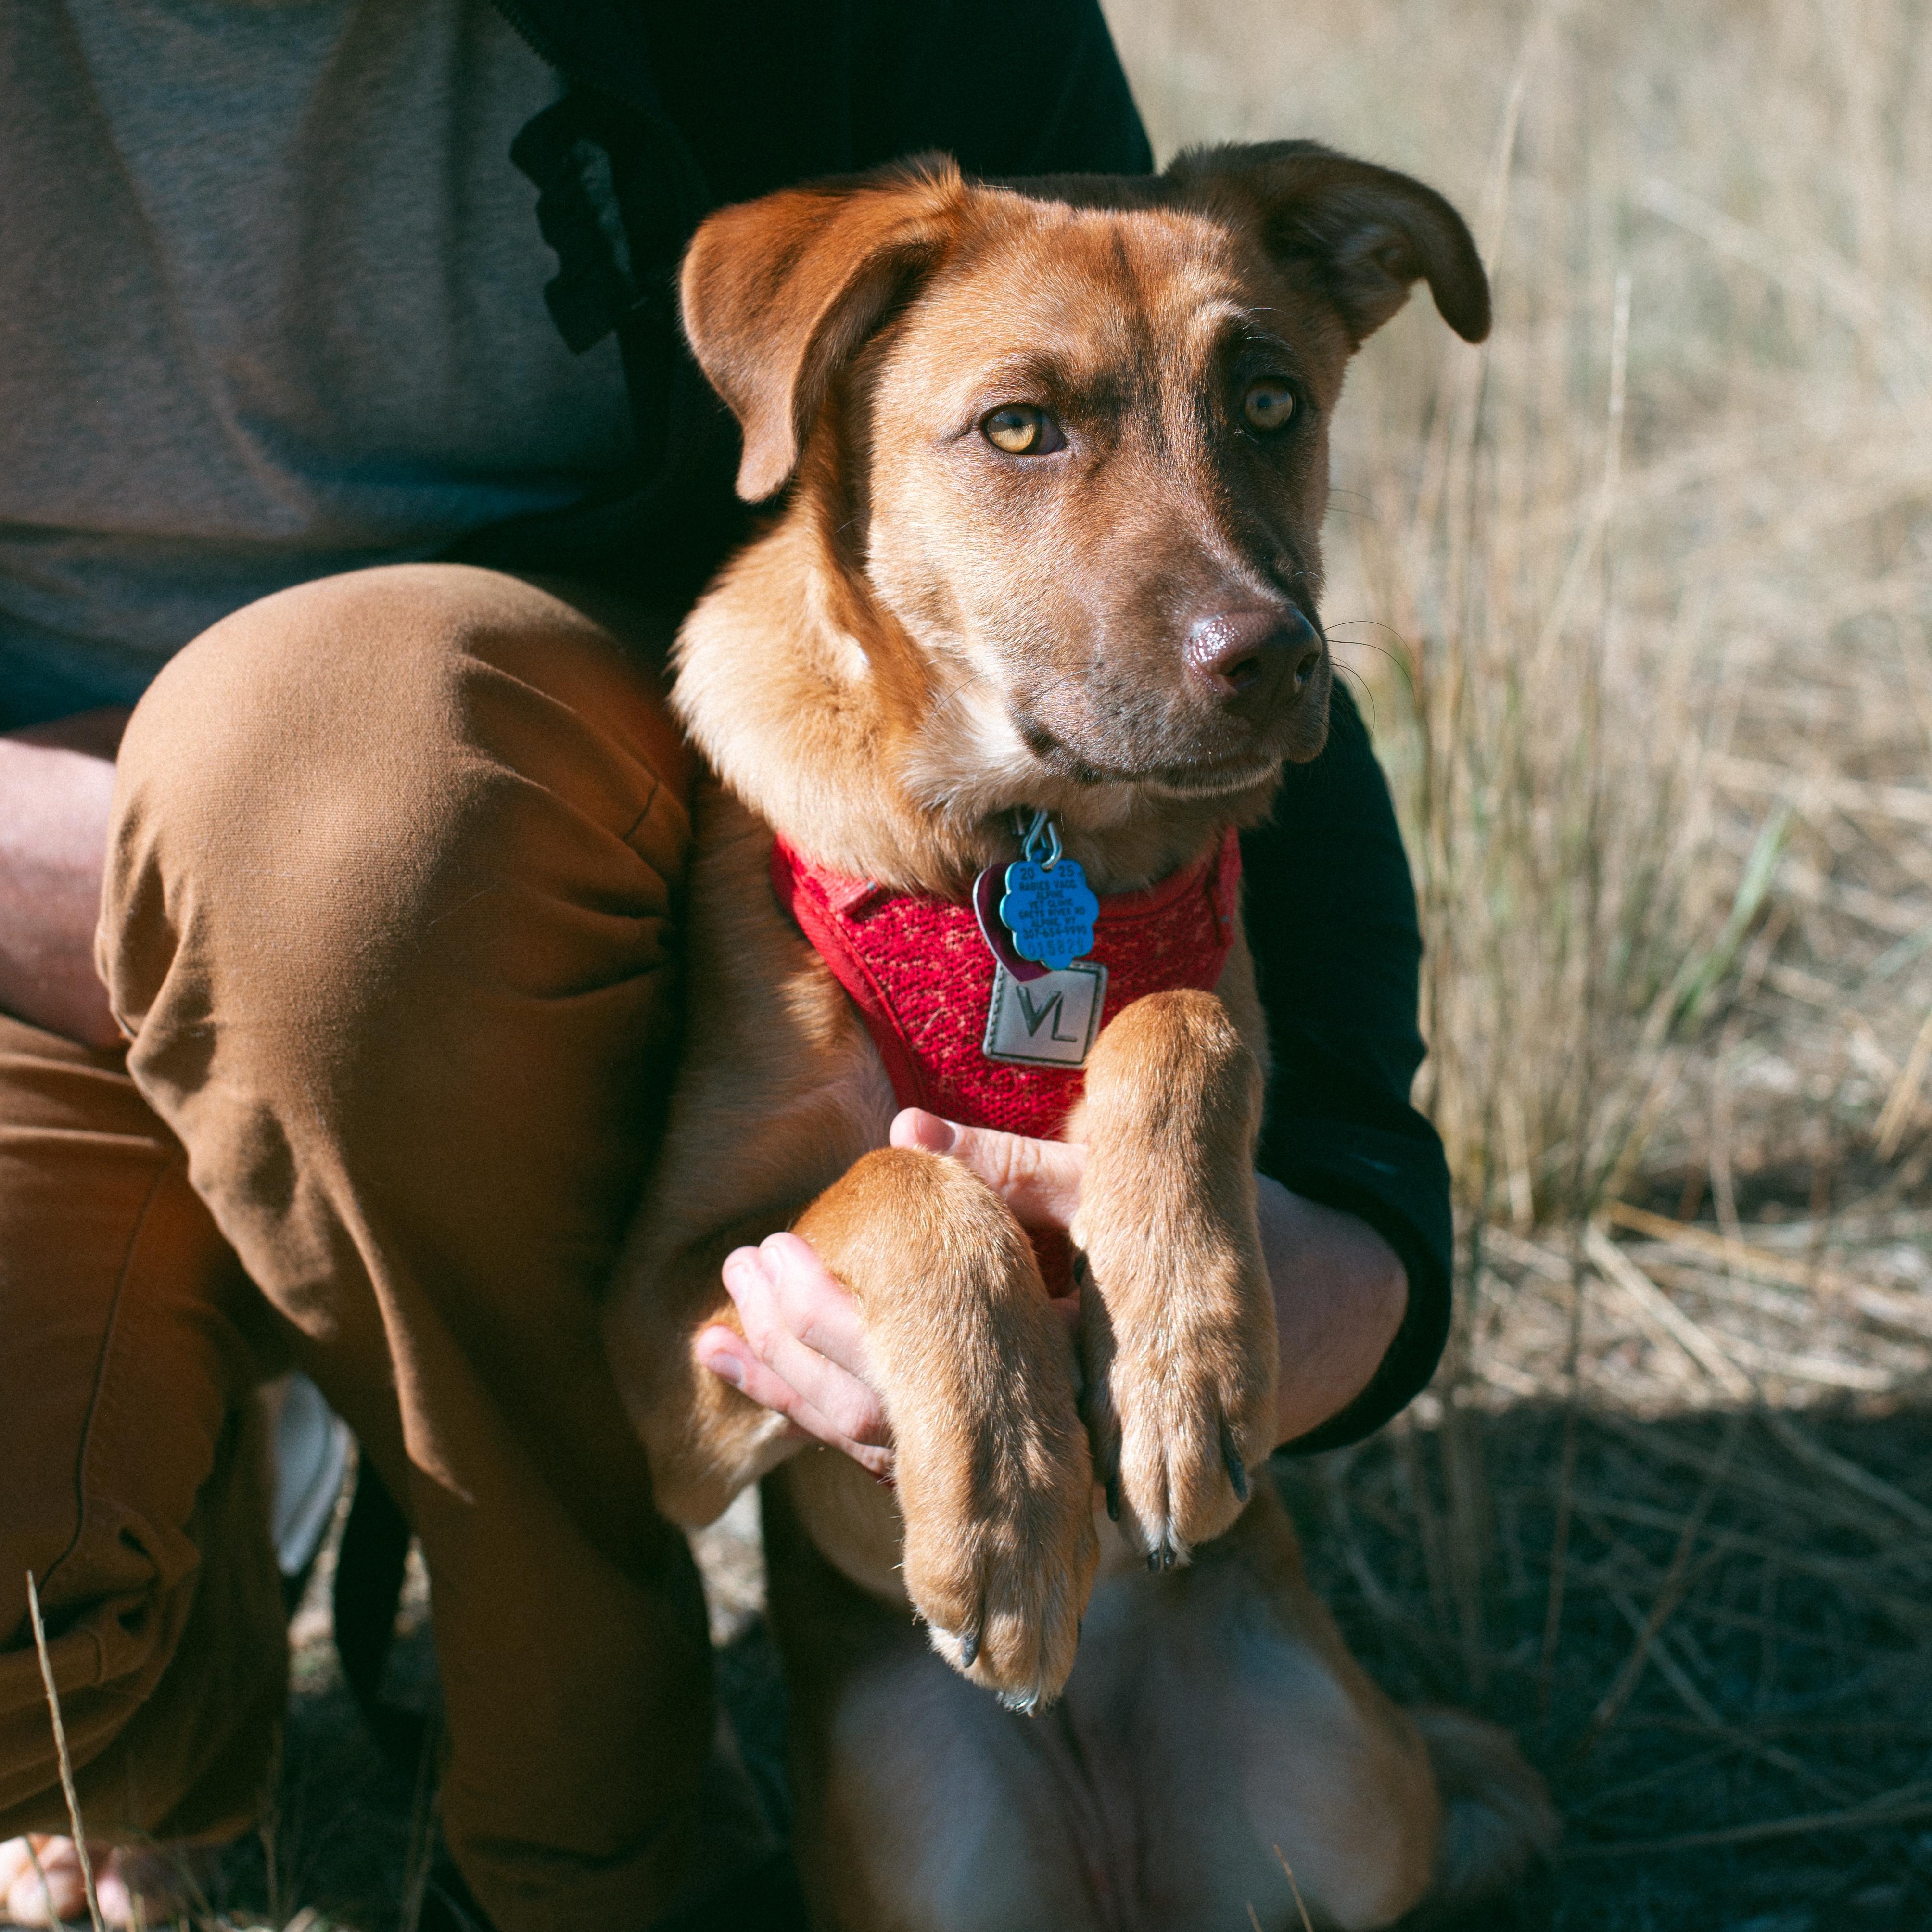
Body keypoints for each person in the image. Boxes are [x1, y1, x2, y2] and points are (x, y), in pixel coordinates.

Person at [0, 2, 1454, 1927]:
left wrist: (1351, 1223)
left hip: (472, 834)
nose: (1226, 581)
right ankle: (154, 1683)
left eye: (1258, 408)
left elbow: (1253, 758)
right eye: (1028, 432)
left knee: (339, 785)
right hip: (89, 895)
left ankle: (578, 1812)